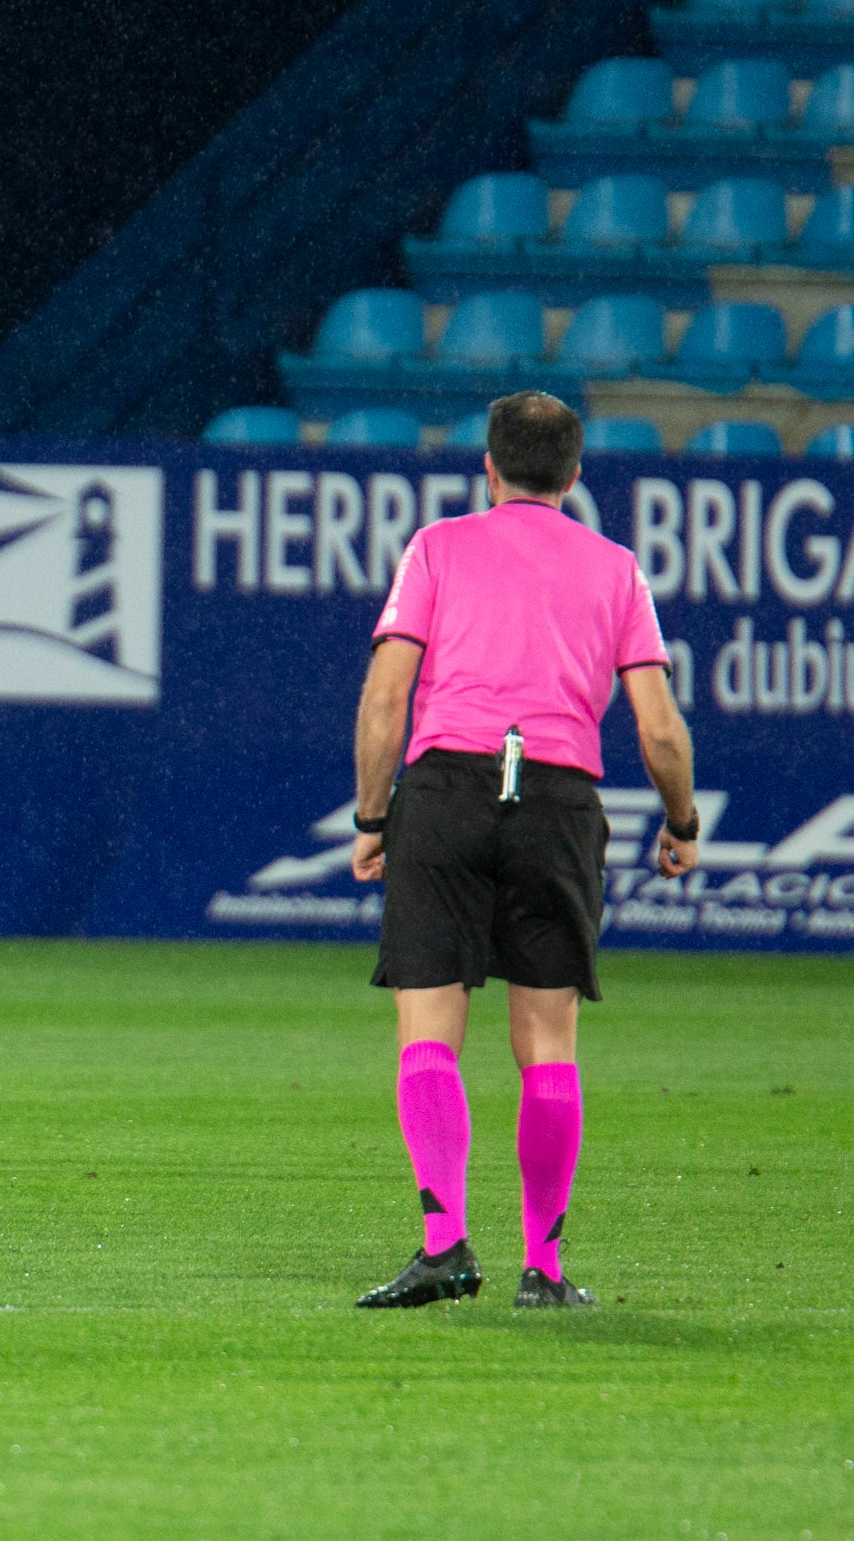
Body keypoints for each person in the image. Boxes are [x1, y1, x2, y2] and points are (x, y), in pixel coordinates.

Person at [348, 391, 698, 1312]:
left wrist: (371, 818)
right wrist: (681, 821)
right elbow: (658, 728)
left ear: (489, 470)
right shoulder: (615, 569)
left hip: (447, 791)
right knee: (546, 1041)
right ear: (574, 476)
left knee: (429, 1028)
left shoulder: (437, 547)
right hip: (555, 799)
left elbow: (386, 697)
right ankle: (541, 1268)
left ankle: (443, 1246)